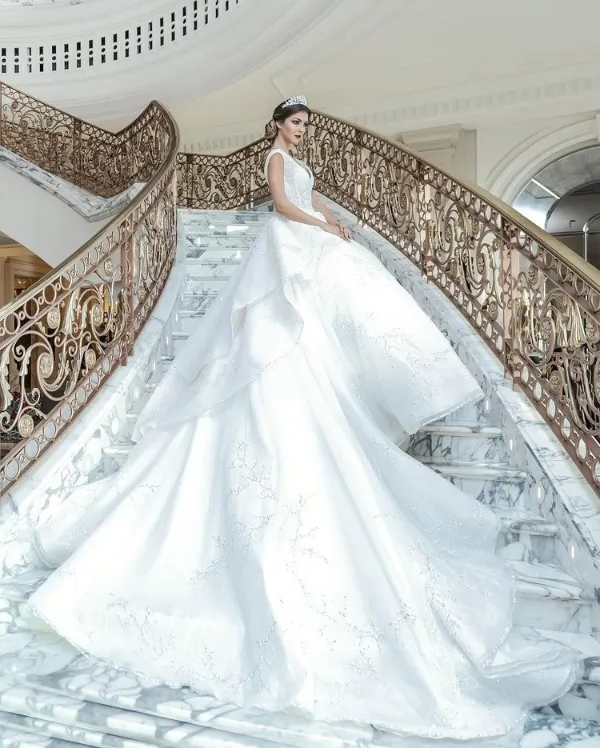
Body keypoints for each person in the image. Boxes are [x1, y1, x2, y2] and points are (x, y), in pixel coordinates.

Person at [27, 97, 580, 740]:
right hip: (284, 248)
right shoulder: (274, 157)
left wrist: (329, 223)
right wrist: (321, 222)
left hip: (304, 242)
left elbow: (303, 205)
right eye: (294, 124)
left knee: (316, 330)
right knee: (271, 338)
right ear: (278, 127)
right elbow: (282, 208)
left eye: (303, 126)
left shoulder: (299, 157)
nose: (300, 132)